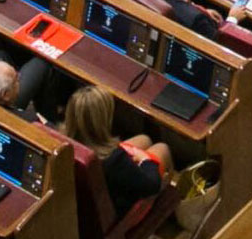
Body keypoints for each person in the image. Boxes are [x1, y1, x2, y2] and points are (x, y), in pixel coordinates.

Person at [62, 86, 174, 220]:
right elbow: (151, 185)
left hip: (82, 205)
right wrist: (145, 160)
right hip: (113, 214)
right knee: (163, 149)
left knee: (145, 139)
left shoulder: (60, 143)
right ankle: (170, 207)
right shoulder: (114, 160)